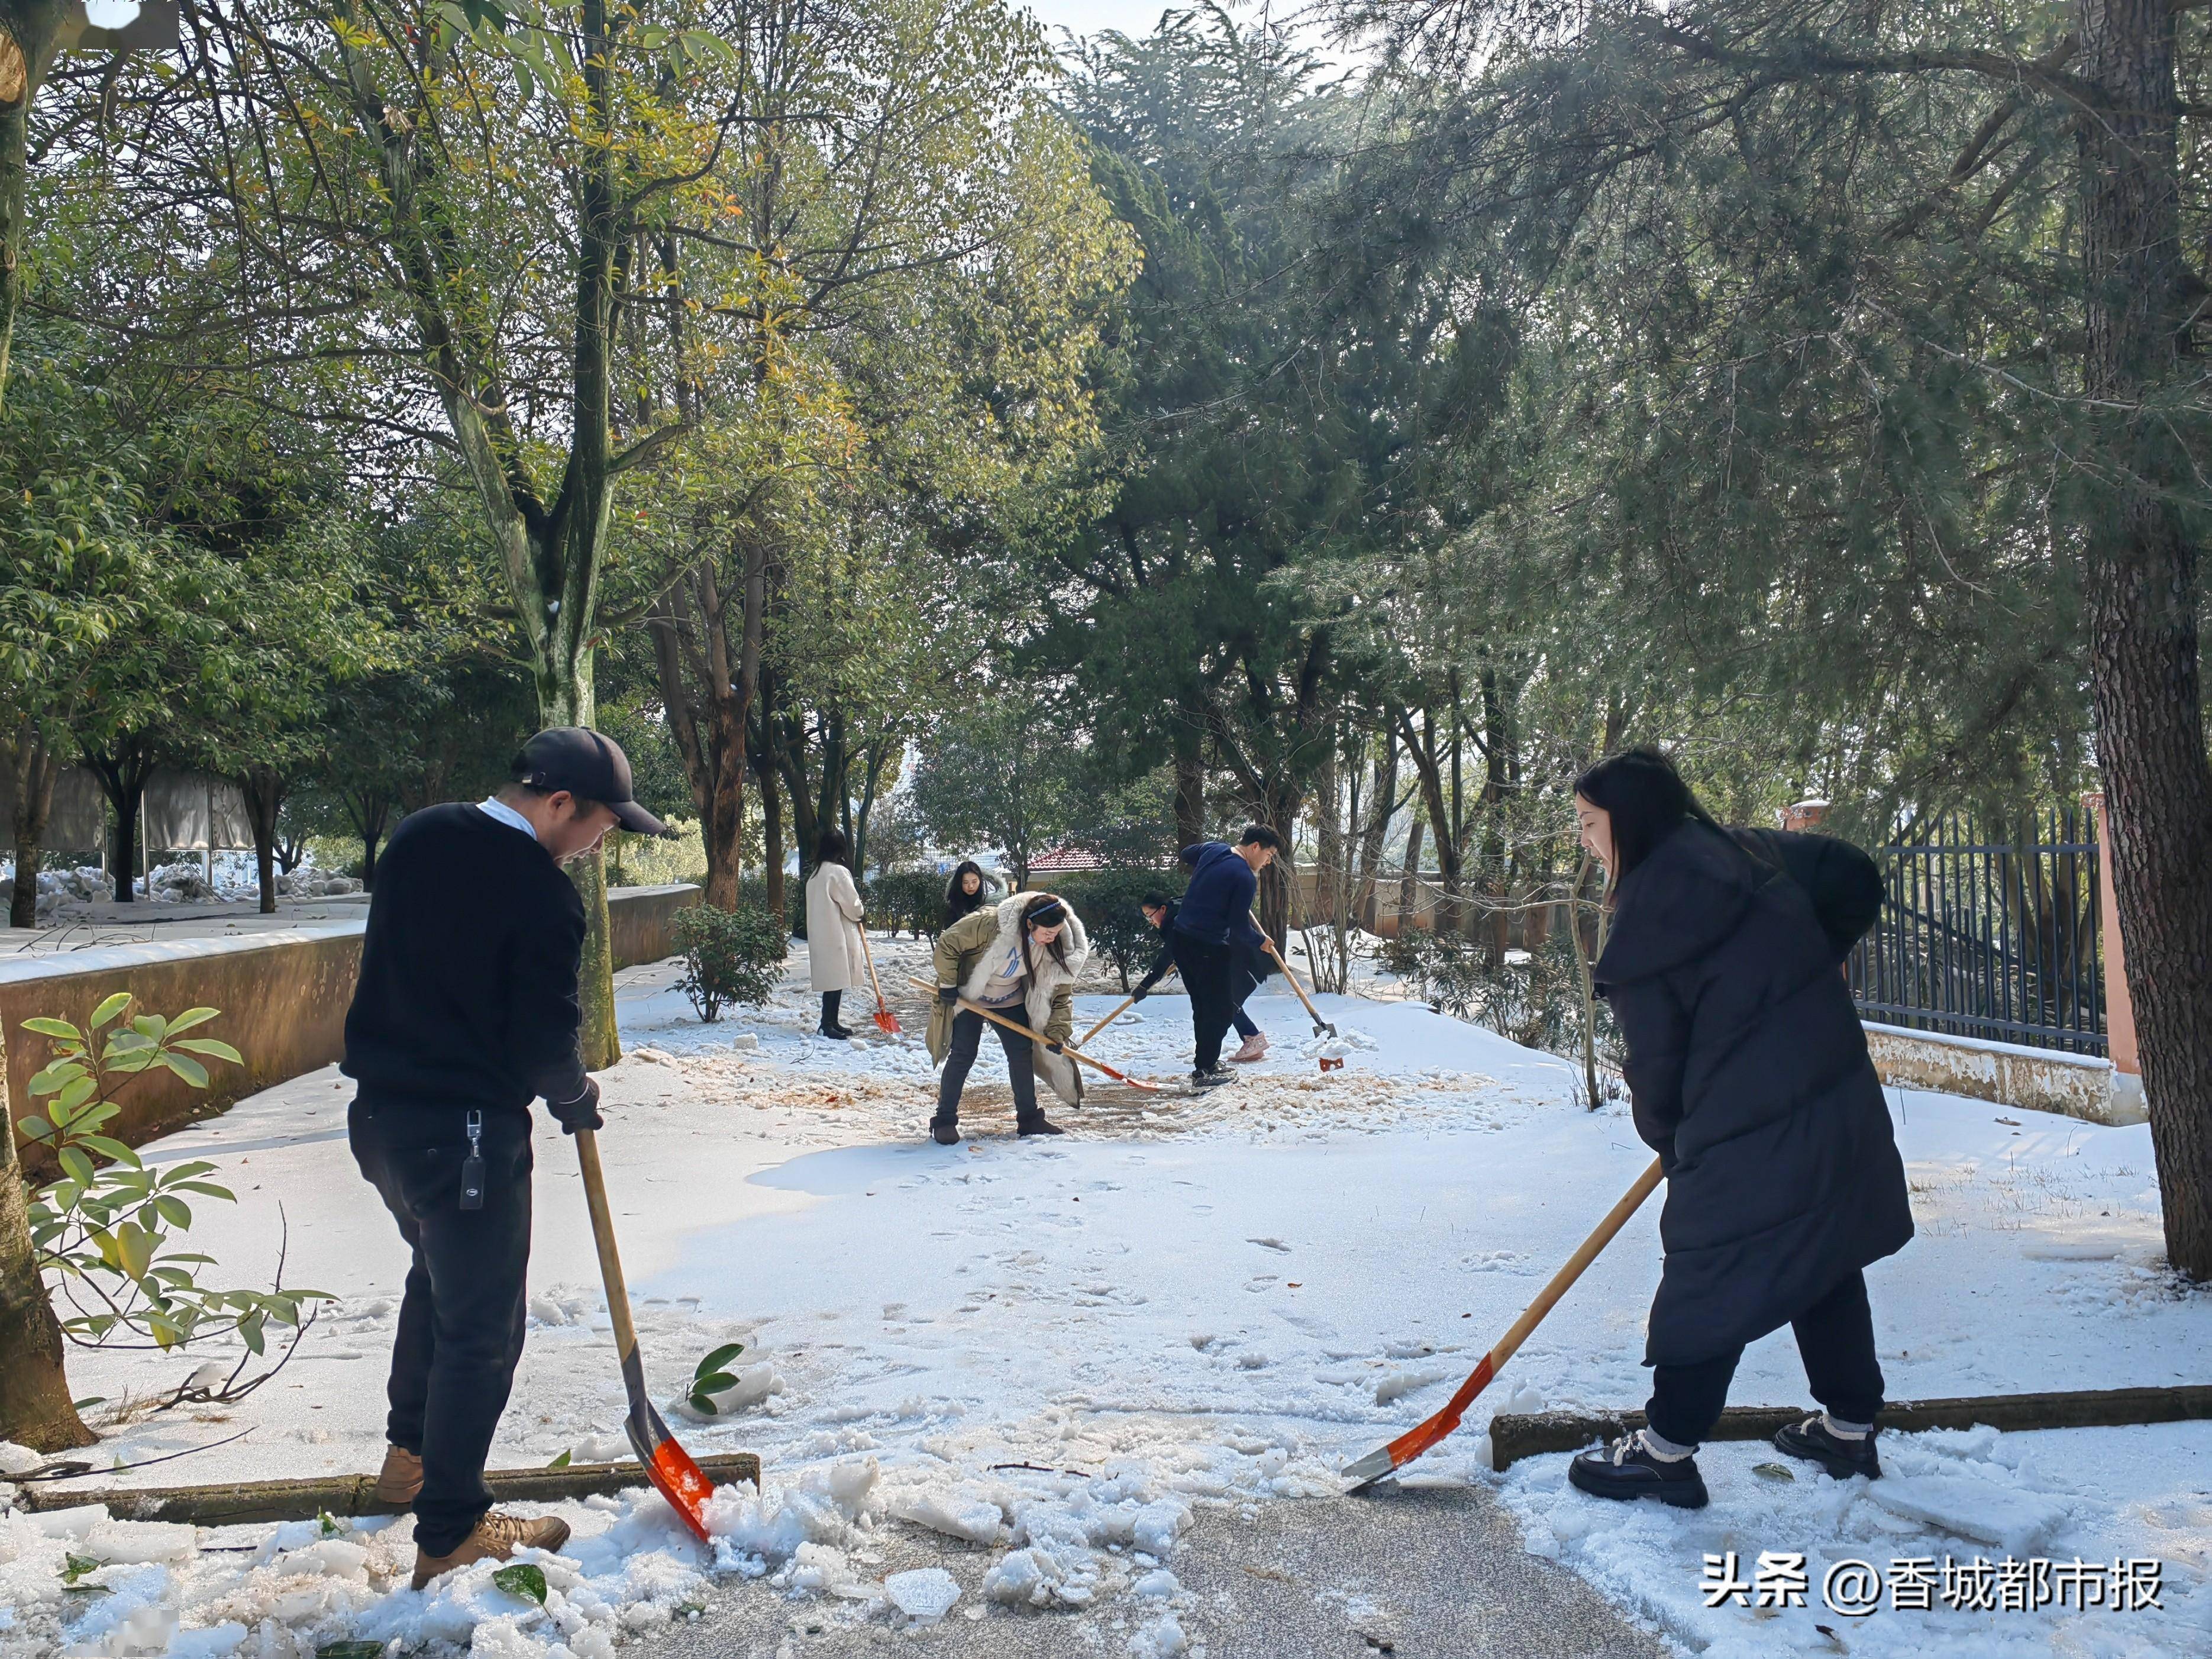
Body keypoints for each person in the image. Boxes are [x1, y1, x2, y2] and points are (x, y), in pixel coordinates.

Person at [343, 728, 669, 1588]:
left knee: (435, 1283)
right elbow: (540, 1040)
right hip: (467, 1135)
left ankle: (407, 1464)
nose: (602, 843)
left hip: (380, 1122)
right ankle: (450, 1529)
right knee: (483, 1331)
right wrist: (574, 1096)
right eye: (601, 825)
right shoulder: (541, 897)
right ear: (558, 803)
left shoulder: (418, 837)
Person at [1564, 748, 1910, 1510]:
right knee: (1819, 1245)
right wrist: (1798, 975)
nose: (1585, 839)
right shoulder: (1744, 849)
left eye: (1590, 823)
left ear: (1630, 818)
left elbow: (1655, 1064)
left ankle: (1665, 1452)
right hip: (1828, 1085)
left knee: (1711, 1260)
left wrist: (1671, 1139)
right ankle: (1848, 1428)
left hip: (1742, 1120)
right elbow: (1851, 875)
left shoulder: (1650, 915)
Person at [926, 892, 1089, 1144]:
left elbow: (1060, 995)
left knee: (1021, 1051)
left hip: (1009, 998)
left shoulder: (1057, 946)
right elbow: (949, 943)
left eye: (1056, 932)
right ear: (1029, 923)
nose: (1052, 938)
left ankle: (1029, 1119)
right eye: (1047, 932)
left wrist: (1056, 1032)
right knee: (964, 1053)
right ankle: (944, 1120)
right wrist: (948, 984)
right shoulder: (991, 924)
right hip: (972, 995)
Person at [1170, 827, 1281, 1086]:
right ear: (1255, 847)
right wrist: (1260, 942)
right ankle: (1205, 1070)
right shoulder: (1244, 877)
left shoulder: (1214, 850)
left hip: (1182, 939)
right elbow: (1239, 927)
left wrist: (1209, 874)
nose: (1268, 862)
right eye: (1269, 854)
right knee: (1221, 1010)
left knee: (1202, 1005)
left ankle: (1205, 1064)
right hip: (1208, 947)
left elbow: (1187, 853)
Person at [1135, 892, 1268, 1062]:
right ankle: (1252, 1039)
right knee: (1223, 1001)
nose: (1151, 921)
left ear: (1162, 909)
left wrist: (1145, 985)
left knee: (1223, 1001)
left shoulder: (1176, 922)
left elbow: (1166, 956)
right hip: (1223, 954)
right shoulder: (1180, 911)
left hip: (1229, 954)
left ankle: (1251, 1038)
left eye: (1150, 915)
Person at [805, 831, 868, 1039]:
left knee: (833, 981)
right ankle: (827, 1023)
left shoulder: (815, 876)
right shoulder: (837, 873)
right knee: (836, 981)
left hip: (821, 935)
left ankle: (831, 1021)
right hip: (837, 934)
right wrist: (860, 914)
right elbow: (851, 903)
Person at [942, 860, 993, 930]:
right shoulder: (953, 903)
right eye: (966, 883)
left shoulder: (992, 900)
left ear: (981, 880)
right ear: (959, 883)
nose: (971, 886)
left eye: (974, 882)